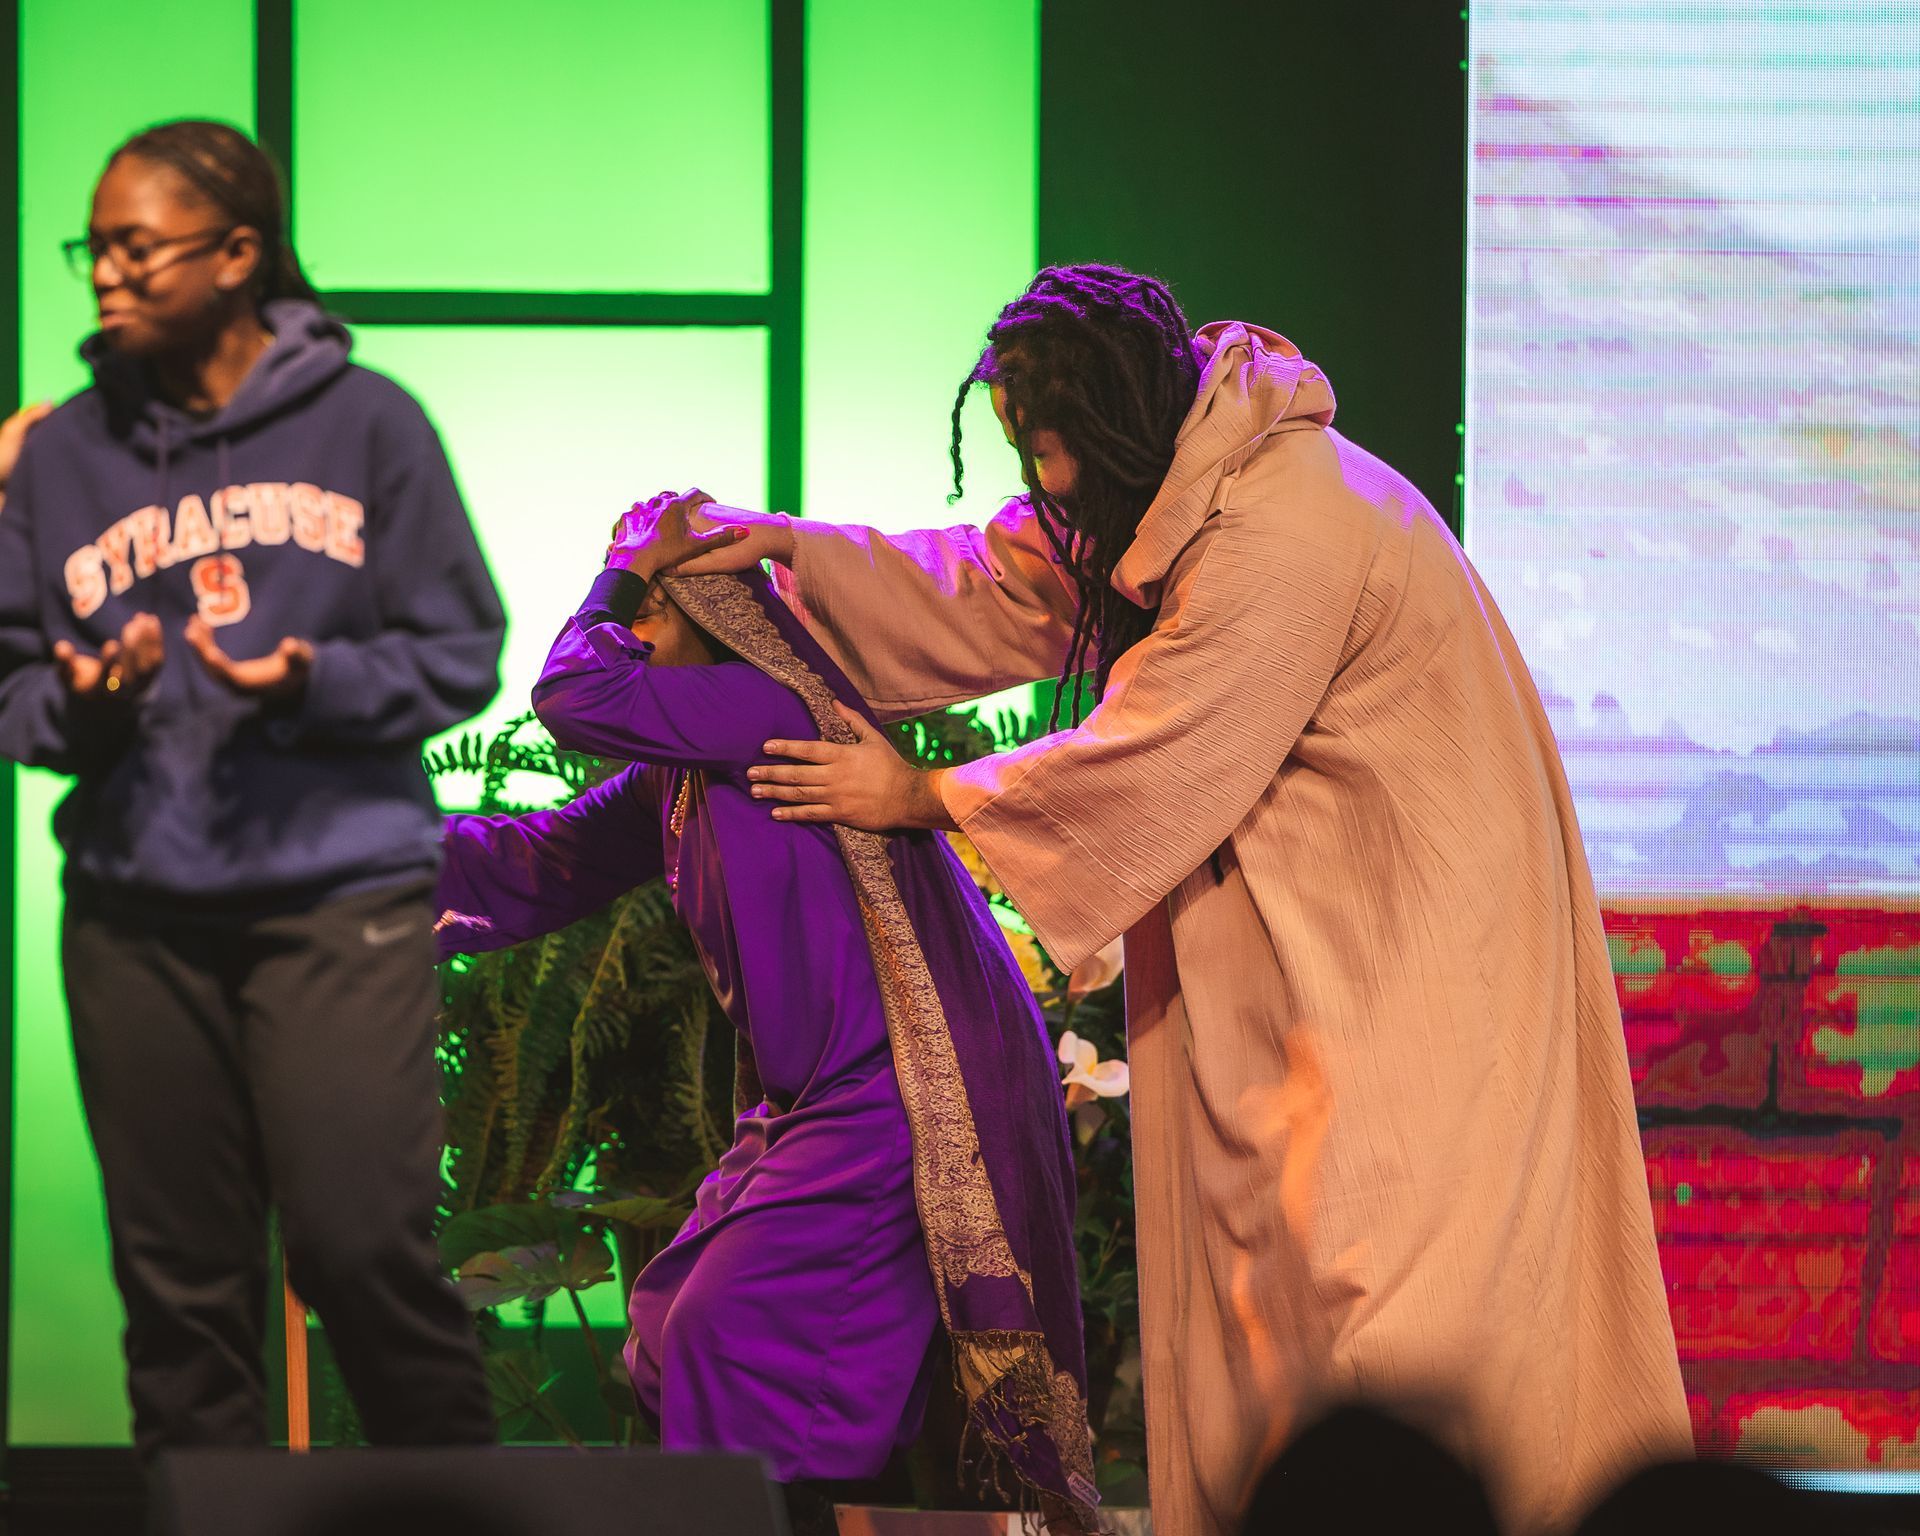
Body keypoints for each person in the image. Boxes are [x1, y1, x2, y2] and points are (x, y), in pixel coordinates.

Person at [666, 264, 1695, 1535]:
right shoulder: (1181, 479)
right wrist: (788, 549)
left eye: (1053, 452)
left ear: (1118, 424)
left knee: (1394, 1293)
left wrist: (922, 793)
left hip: (1415, 955)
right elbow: (1005, 584)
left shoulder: (1290, 524)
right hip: (1306, 947)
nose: (1041, 483)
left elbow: (1160, 746)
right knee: (1276, 1316)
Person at [434, 493, 1097, 1534]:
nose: (630, 634)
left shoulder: (761, 707)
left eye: (648, 611)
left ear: (708, 611)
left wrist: (621, 569)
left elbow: (573, 693)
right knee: (674, 1329)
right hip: (814, 1109)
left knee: (723, 1334)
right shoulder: (681, 775)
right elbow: (539, 862)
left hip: (895, 1098)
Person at [0, 120, 501, 1454]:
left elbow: (461, 650)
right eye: (94, 249)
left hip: (339, 901)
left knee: (360, 1249)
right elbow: (11, 684)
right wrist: (86, 703)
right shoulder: (61, 456)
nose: (107, 273)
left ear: (235, 254)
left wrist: (306, 681)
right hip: (136, 920)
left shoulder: (370, 423)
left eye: (137, 247)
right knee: (181, 1299)